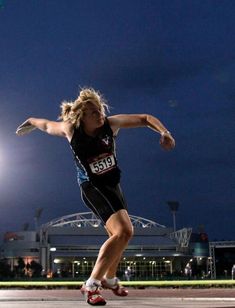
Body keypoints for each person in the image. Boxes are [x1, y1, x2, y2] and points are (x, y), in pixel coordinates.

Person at [16, 88, 175, 306]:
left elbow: (145, 118)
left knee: (120, 237)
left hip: (113, 185)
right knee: (125, 231)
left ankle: (109, 279)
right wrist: (30, 121)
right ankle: (91, 284)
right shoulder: (71, 129)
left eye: (100, 110)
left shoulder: (110, 124)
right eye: (93, 113)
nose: (99, 115)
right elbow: (45, 124)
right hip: (92, 186)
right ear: (82, 117)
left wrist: (165, 133)